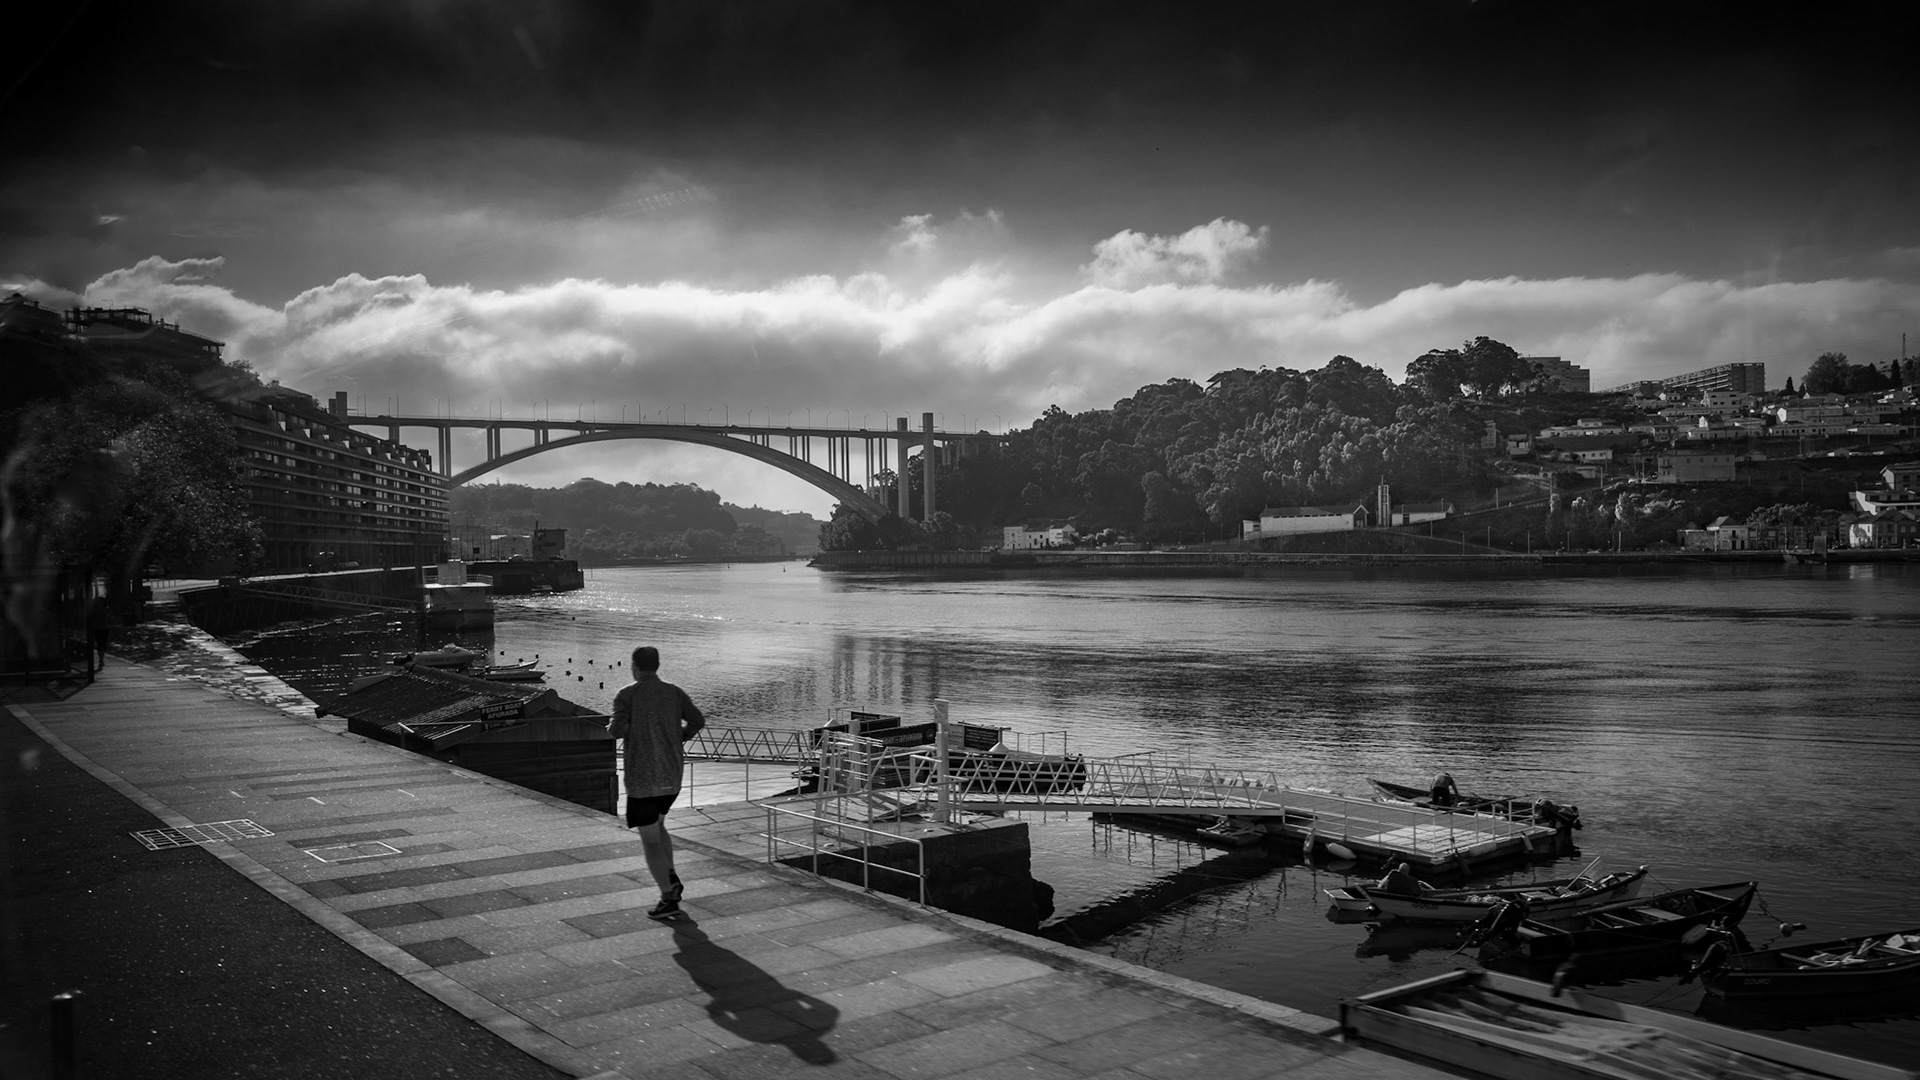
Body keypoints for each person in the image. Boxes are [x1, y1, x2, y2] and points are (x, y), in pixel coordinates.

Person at [608, 645, 705, 920]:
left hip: (643, 777)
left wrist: (615, 728)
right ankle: (670, 875)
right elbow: (698, 720)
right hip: (672, 775)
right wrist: (681, 736)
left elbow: (617, 730)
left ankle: (668, 895)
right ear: (657, 666)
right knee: (659, 826)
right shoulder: (674, 692)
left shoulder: (627, 694)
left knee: (649, 839)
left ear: (634, 666)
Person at [86, 599, 113, 669]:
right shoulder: (104, 610)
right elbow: (110, 619)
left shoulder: (95, 610)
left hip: (101, 628)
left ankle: (101, 659)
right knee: (101, 644)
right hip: (101, 628)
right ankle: (101, 659)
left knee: (101, 644)